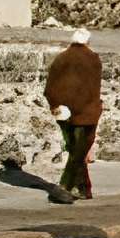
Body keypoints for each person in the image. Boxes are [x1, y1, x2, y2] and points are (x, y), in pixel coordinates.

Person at [44, 29, 103, 203]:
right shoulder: (93, 59)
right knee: (79, 150)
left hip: (63, 112)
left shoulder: (61, 58)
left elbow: (50, 87)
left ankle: (84, 188)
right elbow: (93, 89)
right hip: (86, 113)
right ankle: (64, 187)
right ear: (87, 42)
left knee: (74, 149)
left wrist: (54, 105)